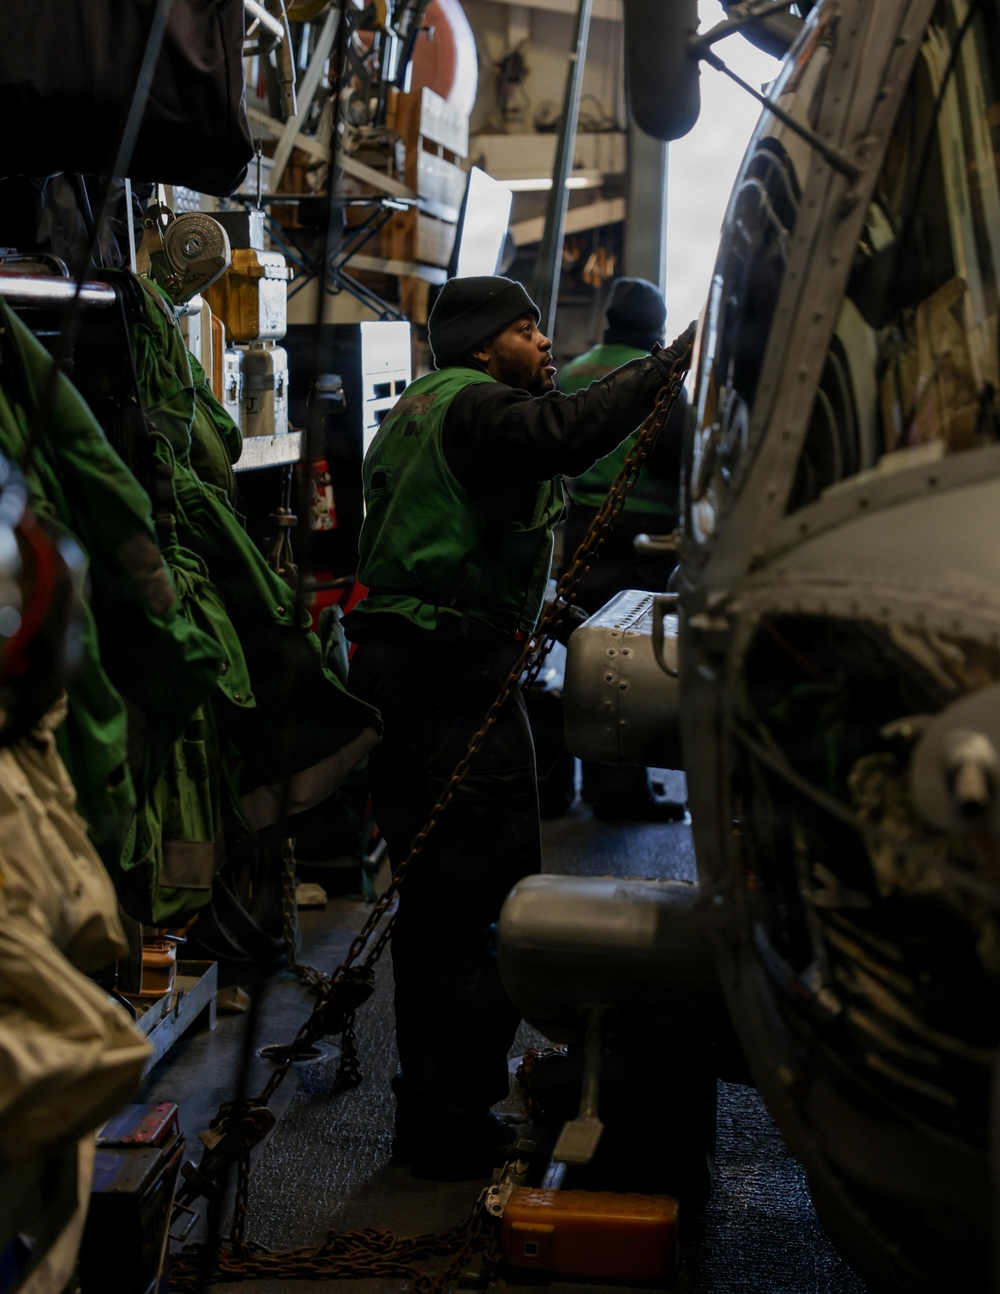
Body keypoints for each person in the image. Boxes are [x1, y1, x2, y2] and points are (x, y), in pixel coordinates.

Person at [344, 274, 686, 1180]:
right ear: (483, 344)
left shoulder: (423, 407)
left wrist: (564, 623)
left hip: (409, 670)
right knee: (479, 908)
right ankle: (451, 1123)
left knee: (436, 908)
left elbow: (473, 537)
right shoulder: (479, 406)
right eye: (526, 329)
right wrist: (664, 369)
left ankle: (434, 1114)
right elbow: (564, 432)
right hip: (451, 681)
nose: (544, 341)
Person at [559, 276, 690, 821]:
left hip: (584, 528)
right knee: (630, 660)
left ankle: (598, 779)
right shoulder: (660, 379)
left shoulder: (573, 370)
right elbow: (679, 457)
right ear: (658, 328)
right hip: (642, 535)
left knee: (591, 649)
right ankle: (622, 794)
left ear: (609, 321)